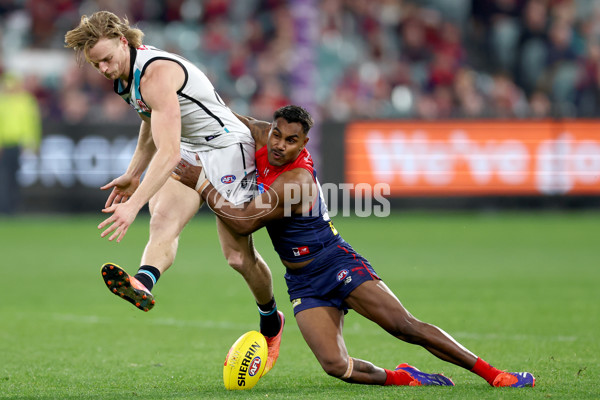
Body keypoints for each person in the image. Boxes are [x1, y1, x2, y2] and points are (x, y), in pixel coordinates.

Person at [173, 105, 536, 388]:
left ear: (304, 144)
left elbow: (243, 221)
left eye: (290, 140)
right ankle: (403, 377)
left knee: (404, 326)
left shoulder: (297, 180)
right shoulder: (263, 136)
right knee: (336, 367)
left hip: (333, 263)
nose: (280, 145)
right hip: (302, 281)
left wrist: (202, 184)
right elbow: (219, 114)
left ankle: (494, 374)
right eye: (277, 136)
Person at [64, 11, 283, 375]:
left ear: (123, 41)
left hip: (227, 147)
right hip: (190, 148)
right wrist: (133, 175)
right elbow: (150, 122)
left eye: (106, 59)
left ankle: (271, 320)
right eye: (95, 64)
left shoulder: (155, 74)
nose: (103, 69)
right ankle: (144, 282)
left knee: (237, 258)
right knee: (163, 219)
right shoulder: (125, 75)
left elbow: (166, 151)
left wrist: (132, 205)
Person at [0, 73, 41, 214]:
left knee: (16, 177)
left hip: (20, 145)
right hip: (6, 145)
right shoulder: (5, 101)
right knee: (6, 177)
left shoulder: (25, 100)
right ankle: (6, 207)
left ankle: (14, 207)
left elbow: (32, 124)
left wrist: (33, 143)